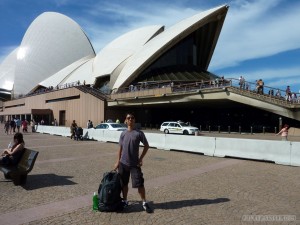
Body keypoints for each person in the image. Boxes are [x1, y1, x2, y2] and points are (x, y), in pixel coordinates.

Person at [114, 113, 153, 213]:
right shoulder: (123, 134)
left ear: (134, 120)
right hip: (123, 163)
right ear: (126, 120)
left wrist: (140, 158)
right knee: (124, 184)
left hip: (134, 164)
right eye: (128, 118)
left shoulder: (139, 133)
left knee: (140, 184)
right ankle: (125, 200)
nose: (130, 119)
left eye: (132, 118)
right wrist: (117, 162)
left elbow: (146, 146)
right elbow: (120, 148)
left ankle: (144, 202)